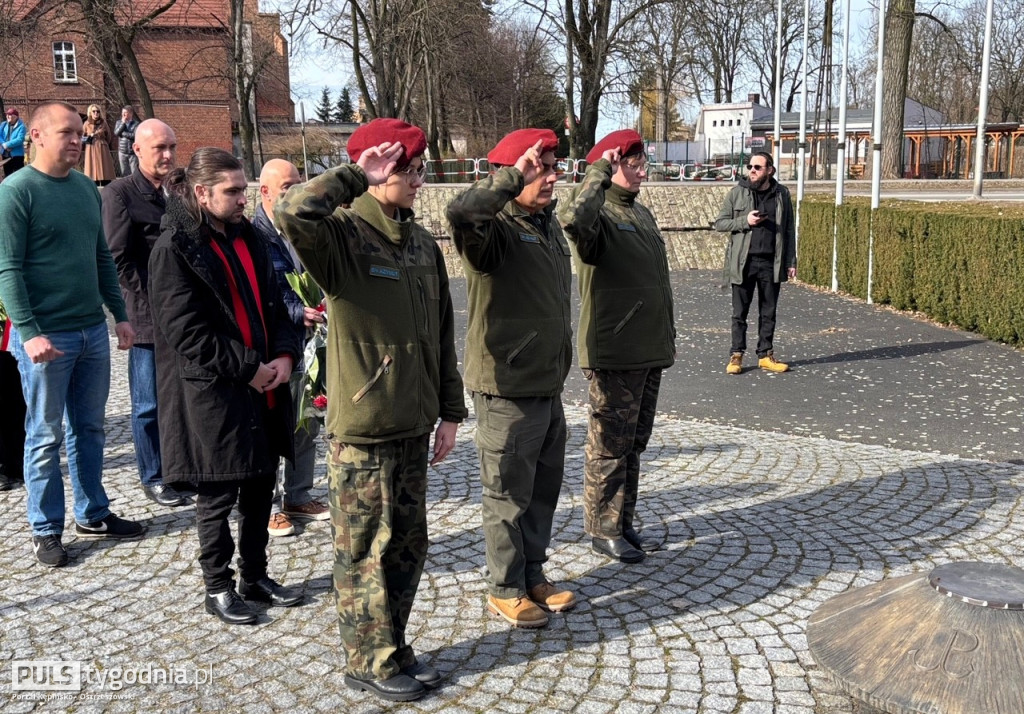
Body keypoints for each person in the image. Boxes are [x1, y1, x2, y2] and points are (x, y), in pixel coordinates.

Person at [276, 118, 466, 702]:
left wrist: (451, 412)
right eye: (404, 168)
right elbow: (291, 211)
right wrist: (356, 175)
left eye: (417, 168)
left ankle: (394, 646)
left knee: (408, 544)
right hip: (363, 425)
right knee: (365, 548)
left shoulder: (420, 243)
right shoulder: (340, 236)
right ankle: (369, 660)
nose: (416, 179)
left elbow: (440, 334)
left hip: (412, 420)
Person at [149, 148, 303, 625]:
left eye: (244, 189)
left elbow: (277, 303)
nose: (243, 199)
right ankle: (217, 586)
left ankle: (253, 576)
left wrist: (282, 354)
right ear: (201, 193)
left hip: (264, 380)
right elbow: (186, 333)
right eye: (232, 191)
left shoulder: (250, 237)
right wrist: (248, 368)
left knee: (261, 482)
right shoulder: (175, 247)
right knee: (218, 493)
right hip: (213, 390)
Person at [0, 101, 143, 568]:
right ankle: (45, 528)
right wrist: (28, 331)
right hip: (46, 335)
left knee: (91, 428)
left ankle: (93, 512)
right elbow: (8, 268)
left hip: (90, 330)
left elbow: (102, 256)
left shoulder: (85, 188)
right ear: (36, 136)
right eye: (66, 133)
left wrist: (119, 314)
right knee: (44, 436)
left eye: (79, 132)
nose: (77, 140)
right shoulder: (16, 191)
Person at [446, 128, 575, 630]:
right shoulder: (492, 228)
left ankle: (533, 574)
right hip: (506, 384)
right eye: (539, 167)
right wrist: (509, 178)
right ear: (513, 170)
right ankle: (505, 586)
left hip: (546, 380)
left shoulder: (545, 224)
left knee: (542, 488)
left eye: (551, 166)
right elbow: (460, 213)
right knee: (507, 493)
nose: (550, 176)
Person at [557, 130, 676, 564]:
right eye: (633, 161)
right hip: (615, 350)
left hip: (647, 349)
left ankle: (624, 520)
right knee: (609, 445)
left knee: (634, 443)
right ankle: (603, 528)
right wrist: (598, 173)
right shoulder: (600, 214)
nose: (642, 169)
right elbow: (571, 218)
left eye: (643, 160)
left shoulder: (638, 213)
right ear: (611, 164)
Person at [102, 119, 187, 508]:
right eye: (159, 148)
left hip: (184, 314)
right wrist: (155, 299)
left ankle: (178, 470)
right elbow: (117, 258)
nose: (167, 154)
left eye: (171, 146)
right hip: (147, 314)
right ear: (136, 150)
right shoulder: (120, 193)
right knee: (148, 402)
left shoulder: (178, 191)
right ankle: (153, 475)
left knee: (179, 398)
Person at [252, 158, 328, 537]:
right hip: (275, 344)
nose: (295, 191)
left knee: (306, 420)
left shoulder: (302, 226)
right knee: (271, 428)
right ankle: (265, 507)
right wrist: (301, 312)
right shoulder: (255, 235)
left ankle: (297, 496)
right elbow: (268, 292)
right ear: (265, 192)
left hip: (310, 342)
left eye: (299, 183)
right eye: (286, 186)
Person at [714, 151, 796, 375]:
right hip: (743, 262)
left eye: (757, 167)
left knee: (768, 311)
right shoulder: (737, 193)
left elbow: (789, 230)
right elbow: (720, 223)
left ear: (769, 170)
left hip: (771, 262)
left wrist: (791, 260)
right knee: (739, 313)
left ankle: (765, 354)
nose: (752, 170)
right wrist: (745, 221)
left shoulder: (781, 194)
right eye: (750, 166)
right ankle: (736, 355)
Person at [82, 104, 116, 186]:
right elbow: (83, 137)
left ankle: (105, 182)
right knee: (92, 169)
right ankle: (93, 182)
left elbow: (109, 136)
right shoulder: (86, 124)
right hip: (91, 147)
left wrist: (103, 143)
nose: (96, 113)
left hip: (102, 146)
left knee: (105, 168)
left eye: (98, 111)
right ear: (90, 112)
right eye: (94, 111)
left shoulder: (103, 123)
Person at [113, 106, 140, 177]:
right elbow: (116, 133)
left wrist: (123, 134)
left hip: (132, 152)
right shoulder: (119, 123)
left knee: (134, 172)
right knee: (124, 173)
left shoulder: (136, 124)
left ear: (131, 114)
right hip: (122, 151)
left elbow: (134, 136)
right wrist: (123, 124)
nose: (123, 115)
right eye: (122, 113)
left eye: (125, 113)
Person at [0, 108, 26, 178]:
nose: (8, 116)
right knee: (8, 176)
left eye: (10, 115)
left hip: (17, 156)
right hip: (5, 154)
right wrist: (4, 145)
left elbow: (20, 139)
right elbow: (0, 135)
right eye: (7, 115)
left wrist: (7, 144)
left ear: (16, 117)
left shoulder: (21, 126)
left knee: (19, 176)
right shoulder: (3, 124)